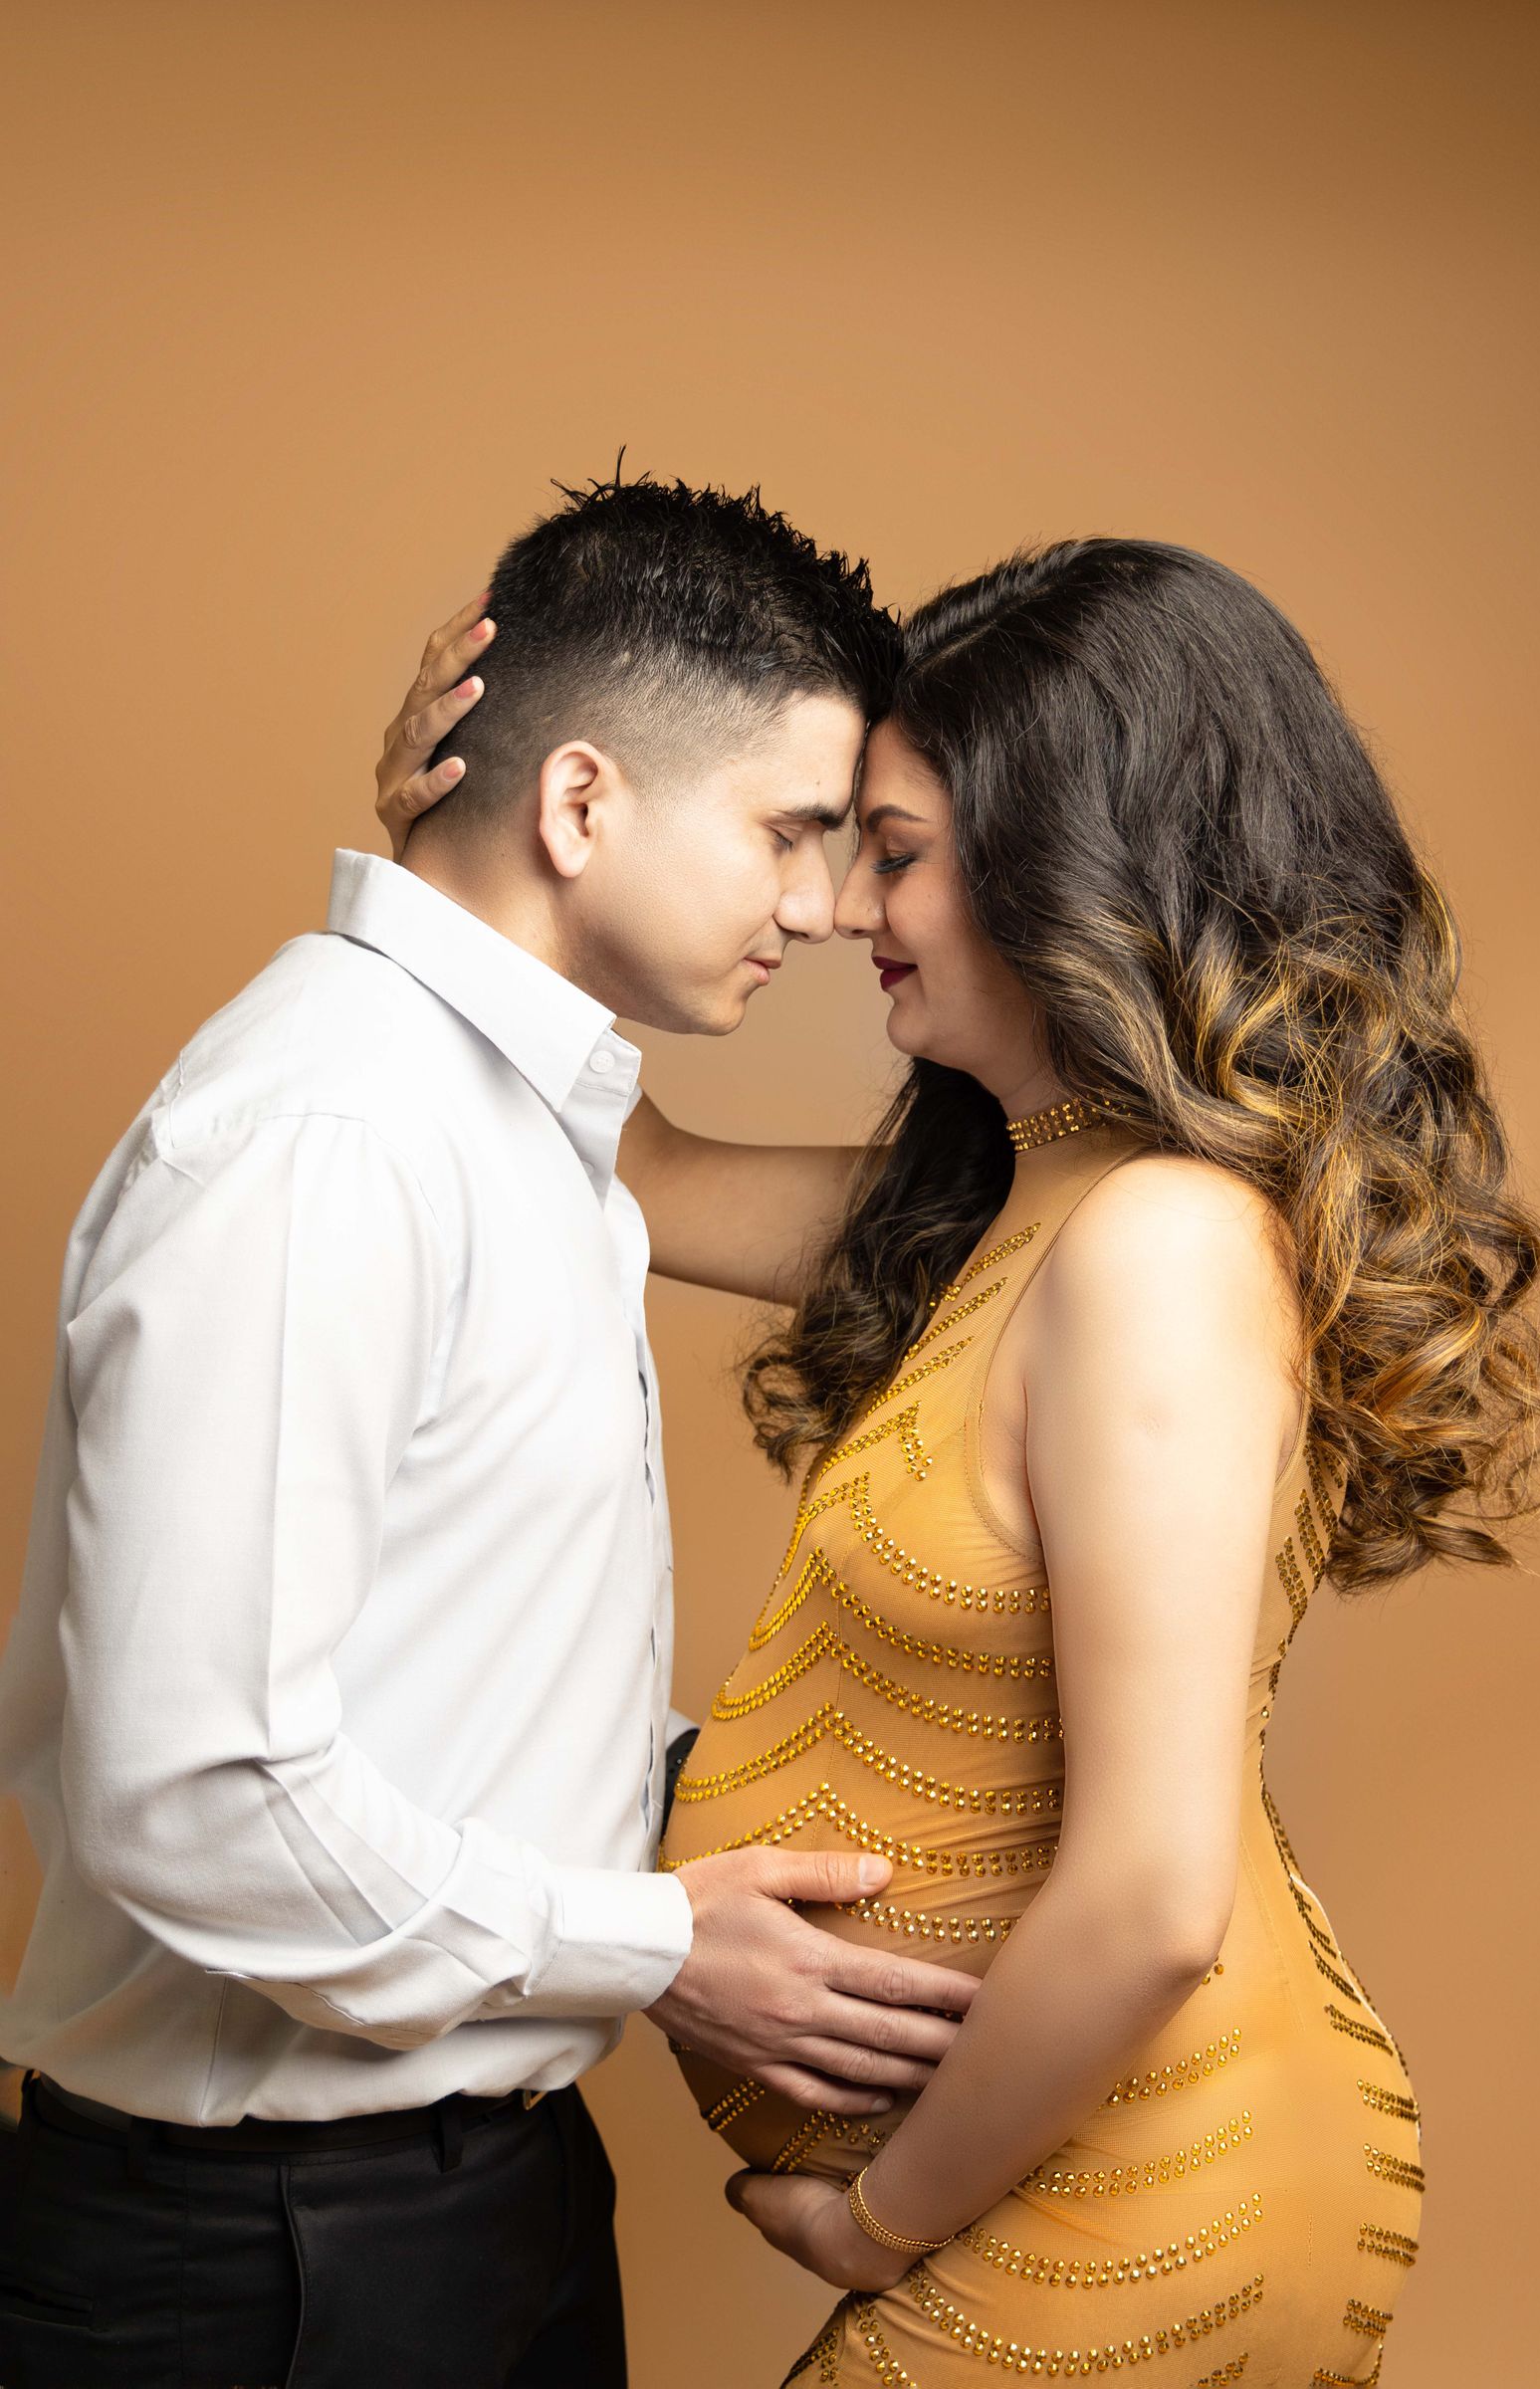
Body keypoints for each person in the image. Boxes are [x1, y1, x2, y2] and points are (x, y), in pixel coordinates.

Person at [378, 535, 1540, 2383]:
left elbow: (1158, 1889)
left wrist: (880, 2215)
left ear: (1068, 867)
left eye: (899, 852)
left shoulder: (1161, 1247)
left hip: (1153, 2182)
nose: (848, 905)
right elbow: (638, 1180)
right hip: (1076, 2171)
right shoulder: (1014, 1202)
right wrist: (458, 877)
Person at [0, 475, 986, 2389]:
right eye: (791, 830)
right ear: (584, 800)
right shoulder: (326, 1140)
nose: (823, 903)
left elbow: (453, 1665)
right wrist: (656, 1944)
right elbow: (189, 1793)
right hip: (262, 2257)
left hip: (486, 2196)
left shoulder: (515, 1120)